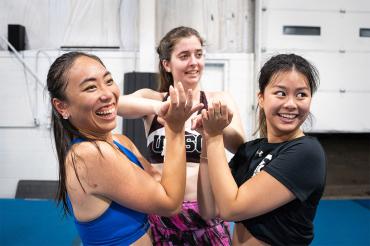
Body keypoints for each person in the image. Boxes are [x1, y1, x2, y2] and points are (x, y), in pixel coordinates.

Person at [47, 51, 203, 245]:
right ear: (62, 107)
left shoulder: (120, 142)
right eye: (90, 88)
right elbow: (170, 203)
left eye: (109, 81)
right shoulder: (88, 155)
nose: (107, 94)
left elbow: (160, 181)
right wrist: (175, 129)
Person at [117, 26, 245, 245]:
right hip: (163, 215)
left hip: (207, 213)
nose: (194, 62)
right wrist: (164, 107)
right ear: (167, 64)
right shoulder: (152, 99)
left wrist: (216, 126)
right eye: (184, 56)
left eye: (198, 54)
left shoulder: (218, 99)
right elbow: (116, 104)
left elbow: (240, 146)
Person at [197, 53, 326, 246]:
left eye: (301, 94)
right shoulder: (251, 150)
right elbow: (209, 209)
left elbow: (231, 208)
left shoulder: (306, 153)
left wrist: (215, 136)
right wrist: (208, 139)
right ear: (261, 98)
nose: (291, 104)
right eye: (281, 93)